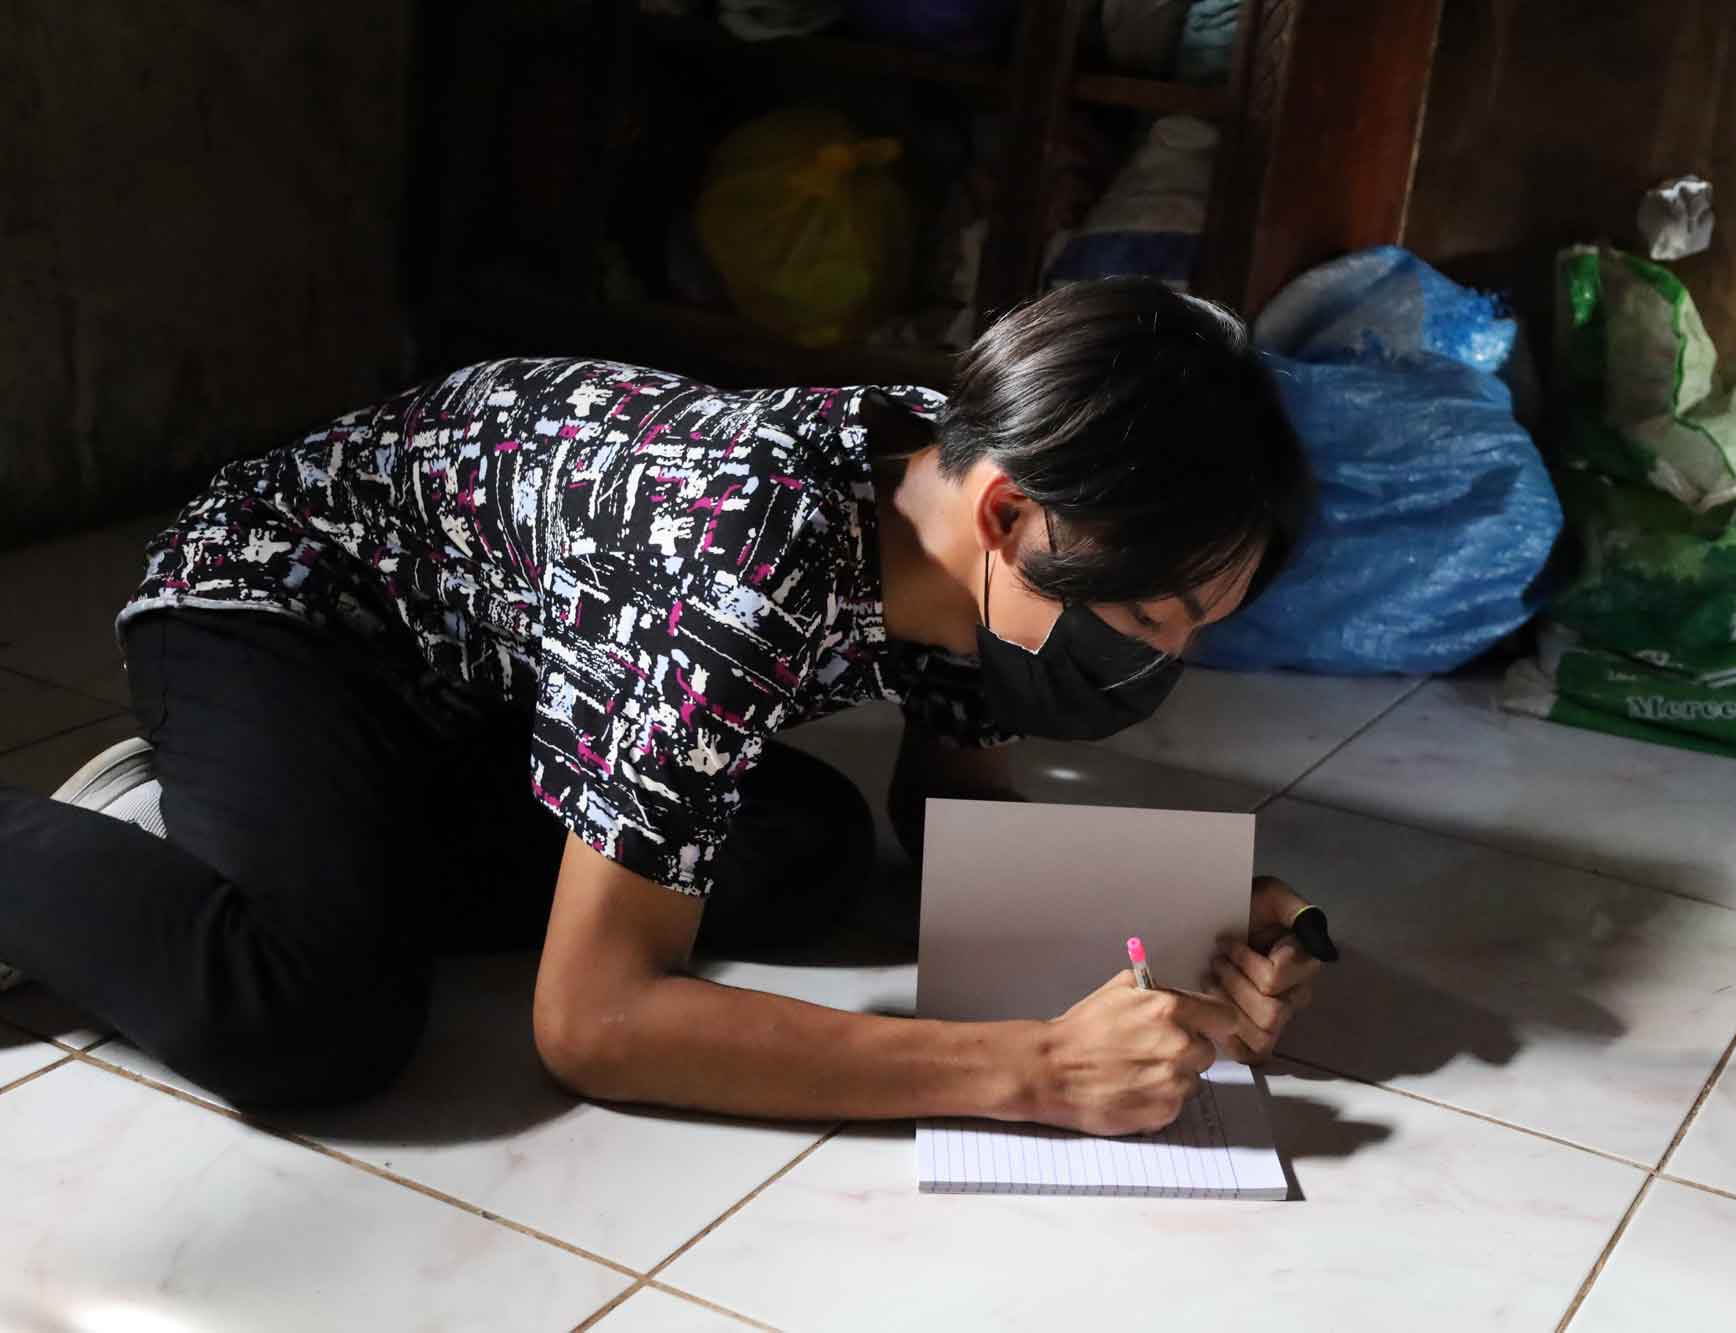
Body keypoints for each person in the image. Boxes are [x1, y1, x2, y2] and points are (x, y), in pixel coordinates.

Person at [0, 278, 1320, 1135]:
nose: (1161, 664)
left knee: (804, 854)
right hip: (286, 606)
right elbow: (592, 1026)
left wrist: (1196, 919)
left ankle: (281, 841)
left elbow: (954, 813)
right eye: (1147, 621)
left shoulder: (983, 473)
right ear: (1007, 517)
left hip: (497, 683)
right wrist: (1029, 1071)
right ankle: (150, 837)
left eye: (1195, 629)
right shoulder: (739, 562)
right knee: (315, 1019)